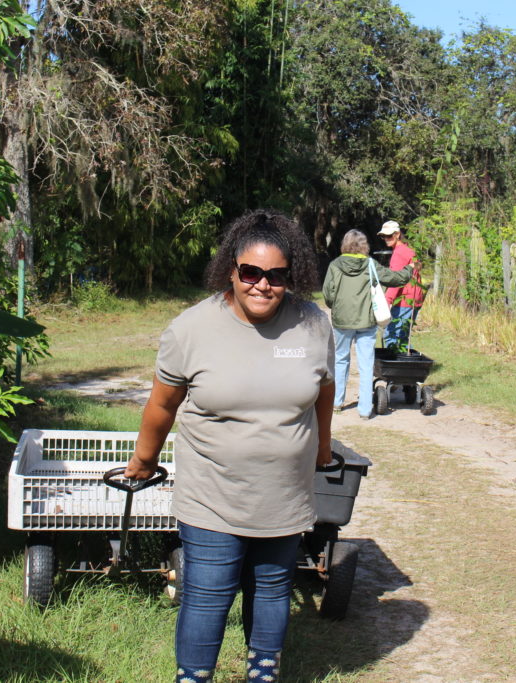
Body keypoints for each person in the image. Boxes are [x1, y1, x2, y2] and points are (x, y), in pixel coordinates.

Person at [122, 210, 335, 683]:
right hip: (213, 493)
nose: (262, 285)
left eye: (276, 275)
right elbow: (162, 405)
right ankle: (194, 676)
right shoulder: (192, 328)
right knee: (208, 591)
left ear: (291, 275)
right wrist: (143, 459)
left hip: (284, 493)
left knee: (274, 587)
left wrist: (322, 446)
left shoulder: (313, 324)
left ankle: (263, 672)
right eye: (251, 273)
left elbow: (323, 389)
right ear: (231, 270)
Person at [323, 229, 412, 418]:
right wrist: (410, 269)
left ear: (344, 244)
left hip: (342, 321)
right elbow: (394, 278)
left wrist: (336, 307)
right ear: (364, 245)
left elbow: (328, 294)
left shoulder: (335, 265)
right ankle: (364, 410)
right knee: (366, 364)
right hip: (366, 321)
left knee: (340, 360)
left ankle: (337, 402)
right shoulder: (370, 264)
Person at [378, 220, 425, 350]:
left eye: (389, 235)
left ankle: (394, 366)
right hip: (414, 299)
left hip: (405, 300)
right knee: (403, 336)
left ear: (397, 234)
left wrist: (386, 302)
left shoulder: (399, 253)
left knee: (391, 335)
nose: (386, 239)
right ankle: (407, 366)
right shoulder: (407, 250)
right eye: (383, 236)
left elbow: (395, 281)